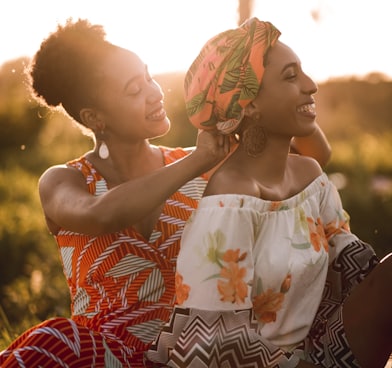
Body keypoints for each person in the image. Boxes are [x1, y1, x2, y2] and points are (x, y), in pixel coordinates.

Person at [0, 18, 332, 368]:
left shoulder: (213, 167)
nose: (155, 92)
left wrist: (259, 66)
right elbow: (100, 214)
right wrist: (199, 159)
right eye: (134, 90)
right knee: (54, 341)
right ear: (94, 117)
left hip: (189, 356)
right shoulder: (64, 181)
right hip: (101, 357)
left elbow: (311, 160)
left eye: (149, 77)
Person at [146, 18, 392, 368]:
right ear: (249, 105)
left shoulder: (311, 176)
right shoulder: (230, 200)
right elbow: (218, 339)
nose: (311, 86)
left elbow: (353, 270)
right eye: (290, 77)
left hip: (319, 347)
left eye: (303, 72)